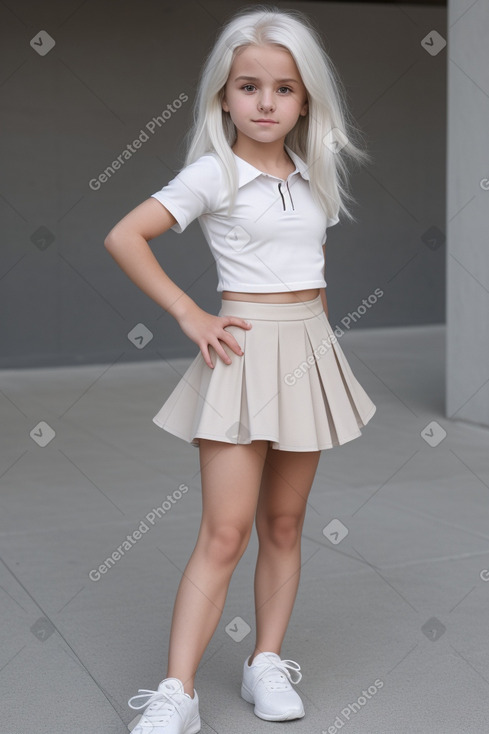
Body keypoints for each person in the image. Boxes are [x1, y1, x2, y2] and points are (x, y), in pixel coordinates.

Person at [104, 5, 377, 733]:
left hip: (307, 350)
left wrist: (316, 342)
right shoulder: (211, 173)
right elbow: (125, 235)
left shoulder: (313, 171)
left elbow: (309, 272)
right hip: (242, 355)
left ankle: (265, 665)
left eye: (283, 88)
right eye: (248, 86)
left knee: (284, 524)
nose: (265, 102)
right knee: (224, 532)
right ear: (223, 96)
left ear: (304, 98)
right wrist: (191, 314)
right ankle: (177, 693)